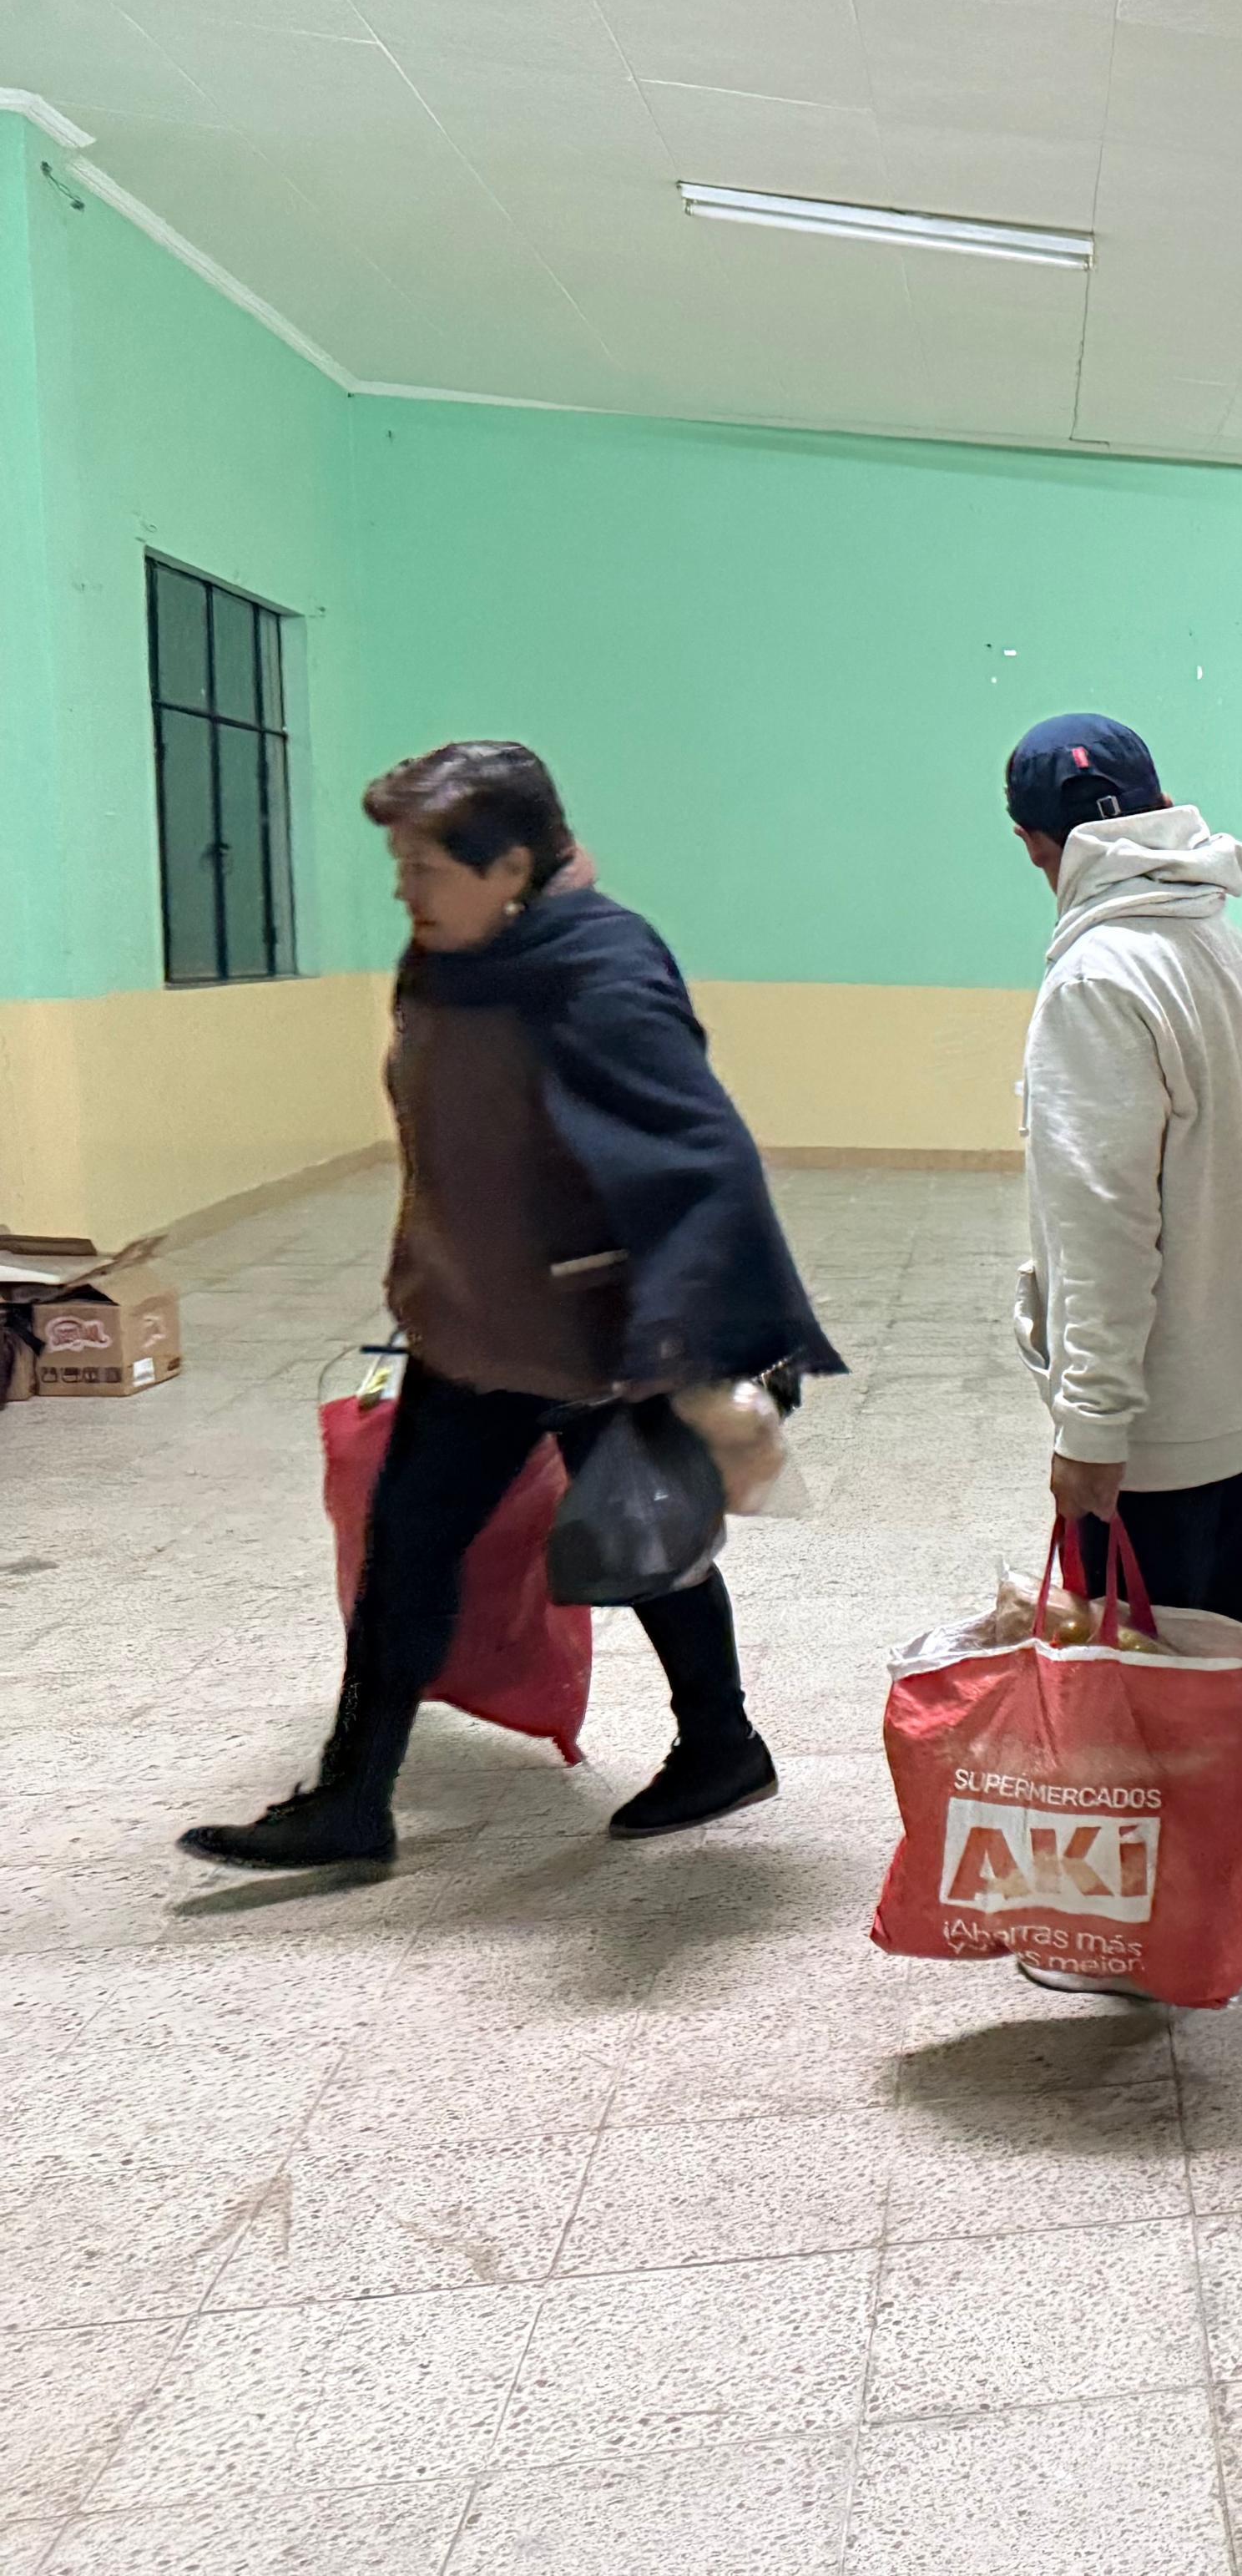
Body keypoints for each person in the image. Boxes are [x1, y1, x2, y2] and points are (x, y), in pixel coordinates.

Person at [182, 741, 839, 1872]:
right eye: (401, 864)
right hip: (475, 1323)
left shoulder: (599, 969)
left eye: (425, 867)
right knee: (407, 1550)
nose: (404, 889)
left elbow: (705, 1157)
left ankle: (722, 1747)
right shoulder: (454, 958)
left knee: (647, 1541)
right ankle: (351, 1800)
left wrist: (705, 1337)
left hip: (599, 1329)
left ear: (513, 867)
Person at [1008, 712, 1242, 1635]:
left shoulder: (1096, 983)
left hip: (1163, 1436)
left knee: (1140, 1708)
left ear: (1033, 844)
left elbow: (1104, 1229)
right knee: (1224, 1679)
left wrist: (1091, 1429)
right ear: (1162, 806)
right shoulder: (1241, 957)